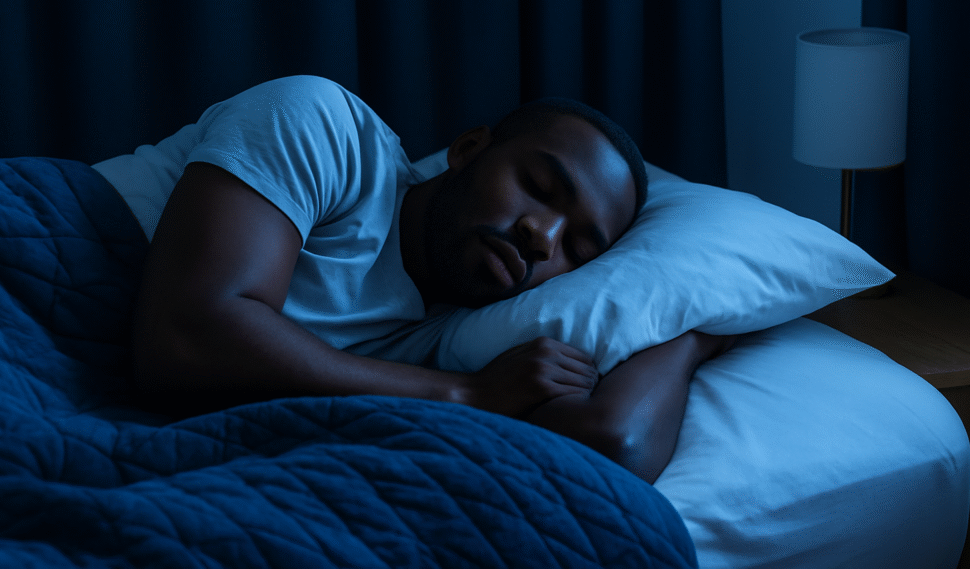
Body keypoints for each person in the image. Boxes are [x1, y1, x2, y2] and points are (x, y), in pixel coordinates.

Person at [95, 75, 733, 483]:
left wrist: (696, 324)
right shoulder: (327, 128)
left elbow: (615, 445)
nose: (544, 237)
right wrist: (463, 396)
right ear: (467, 150)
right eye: (538, 187)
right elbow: (186, 336)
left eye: (579, 245)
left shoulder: (461, 338)